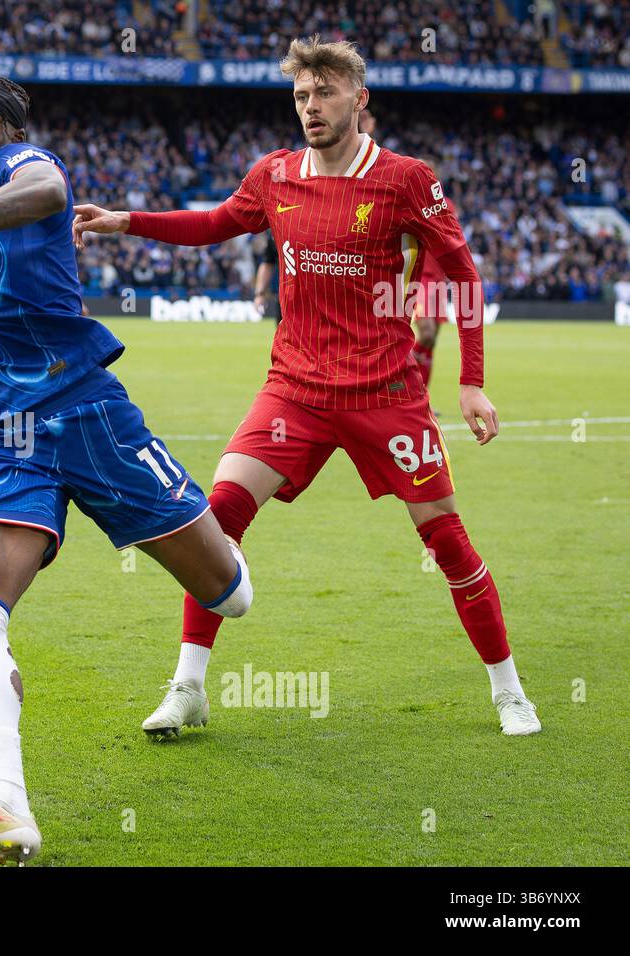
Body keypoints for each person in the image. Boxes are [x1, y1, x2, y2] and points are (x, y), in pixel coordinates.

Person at [74, 36, 540, 738]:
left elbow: (463, 271)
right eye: (301, 95)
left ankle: (509, 691)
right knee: (215, 517)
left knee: (446, 541)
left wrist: (471, 383)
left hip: (386, 393)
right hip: (294, 389)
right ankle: (188, 687)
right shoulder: (275, 174)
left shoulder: (406, 179)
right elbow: (216, 225)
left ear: (360, 99)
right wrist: (126, 222)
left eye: (324, 93)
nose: (311, 107)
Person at [0, 75, 253, 864]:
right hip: (5, 437)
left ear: (6, 131)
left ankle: (221, 546)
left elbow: (46, 190)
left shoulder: (25, 170)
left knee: (229, 594)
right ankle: (4, 803)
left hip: (88, 416)